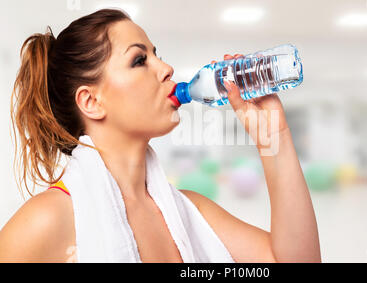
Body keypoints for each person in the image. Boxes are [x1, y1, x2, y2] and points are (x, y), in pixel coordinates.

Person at [0, 9, 320, 263]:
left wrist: (273, 135)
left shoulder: (191, 212)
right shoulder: (46, 221)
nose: (166, 68)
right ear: (91, 102)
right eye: (140, 60)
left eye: (156, 54)